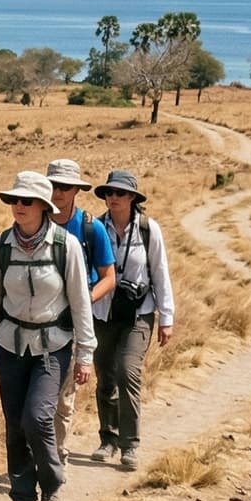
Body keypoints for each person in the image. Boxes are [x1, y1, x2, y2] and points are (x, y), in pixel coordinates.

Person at [0, 171, 95, 501]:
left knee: (37, 417)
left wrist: (85, 354)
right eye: (14, 200)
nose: (18, 206)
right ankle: (21, 499)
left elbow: (81, 303)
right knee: (15, 425)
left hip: (53, 347)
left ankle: (51, 485)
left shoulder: (64, 246)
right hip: (9, 346)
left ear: (43, 206)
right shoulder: (1, 246)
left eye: (26, 201)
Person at [89, 169, 175, 473]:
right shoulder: (96, 228)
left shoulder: (149, 230)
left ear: (133, 198)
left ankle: (130, 444)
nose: (113, 198)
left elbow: (160, 272)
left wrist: (167, 316)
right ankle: (107, 439)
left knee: (127, 373)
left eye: (120, 193)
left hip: (139, 313)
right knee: (105, 377)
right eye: (109, 193)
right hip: (103, 313)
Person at [43, 159, 115, 459]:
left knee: (63, 399)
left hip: (71, 325)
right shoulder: (32, 220)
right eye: (53, 186)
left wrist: (83, 300)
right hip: (35, 323)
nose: (58, 193)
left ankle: (56, 456)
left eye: (65, 187)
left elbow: (109, 277)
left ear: (77, 191)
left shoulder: (90, 228)